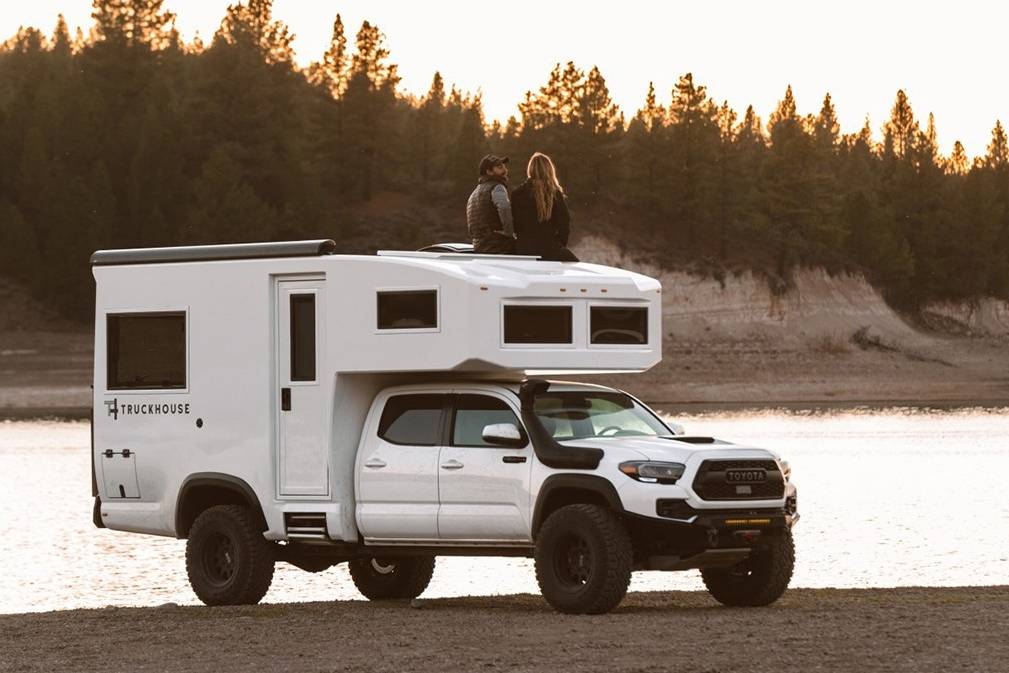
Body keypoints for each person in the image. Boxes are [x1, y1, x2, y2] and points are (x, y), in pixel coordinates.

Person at [511, 152, 579, 262]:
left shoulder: (516, 194)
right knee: (575, 267)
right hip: (548, 249)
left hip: (523, 250)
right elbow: (564, 225)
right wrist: (558, 245)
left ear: (530, 170)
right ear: (549, 170)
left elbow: (514, 225)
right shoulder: (554, 194)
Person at [466, 154, 515, 254]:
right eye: (500, 167)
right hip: (498, 244)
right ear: (489, 172)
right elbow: (504, 208)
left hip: (479, 246)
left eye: (504, 167)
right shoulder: (497, 187)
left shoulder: (474, 193)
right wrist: (509, 233)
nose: (505, 170)